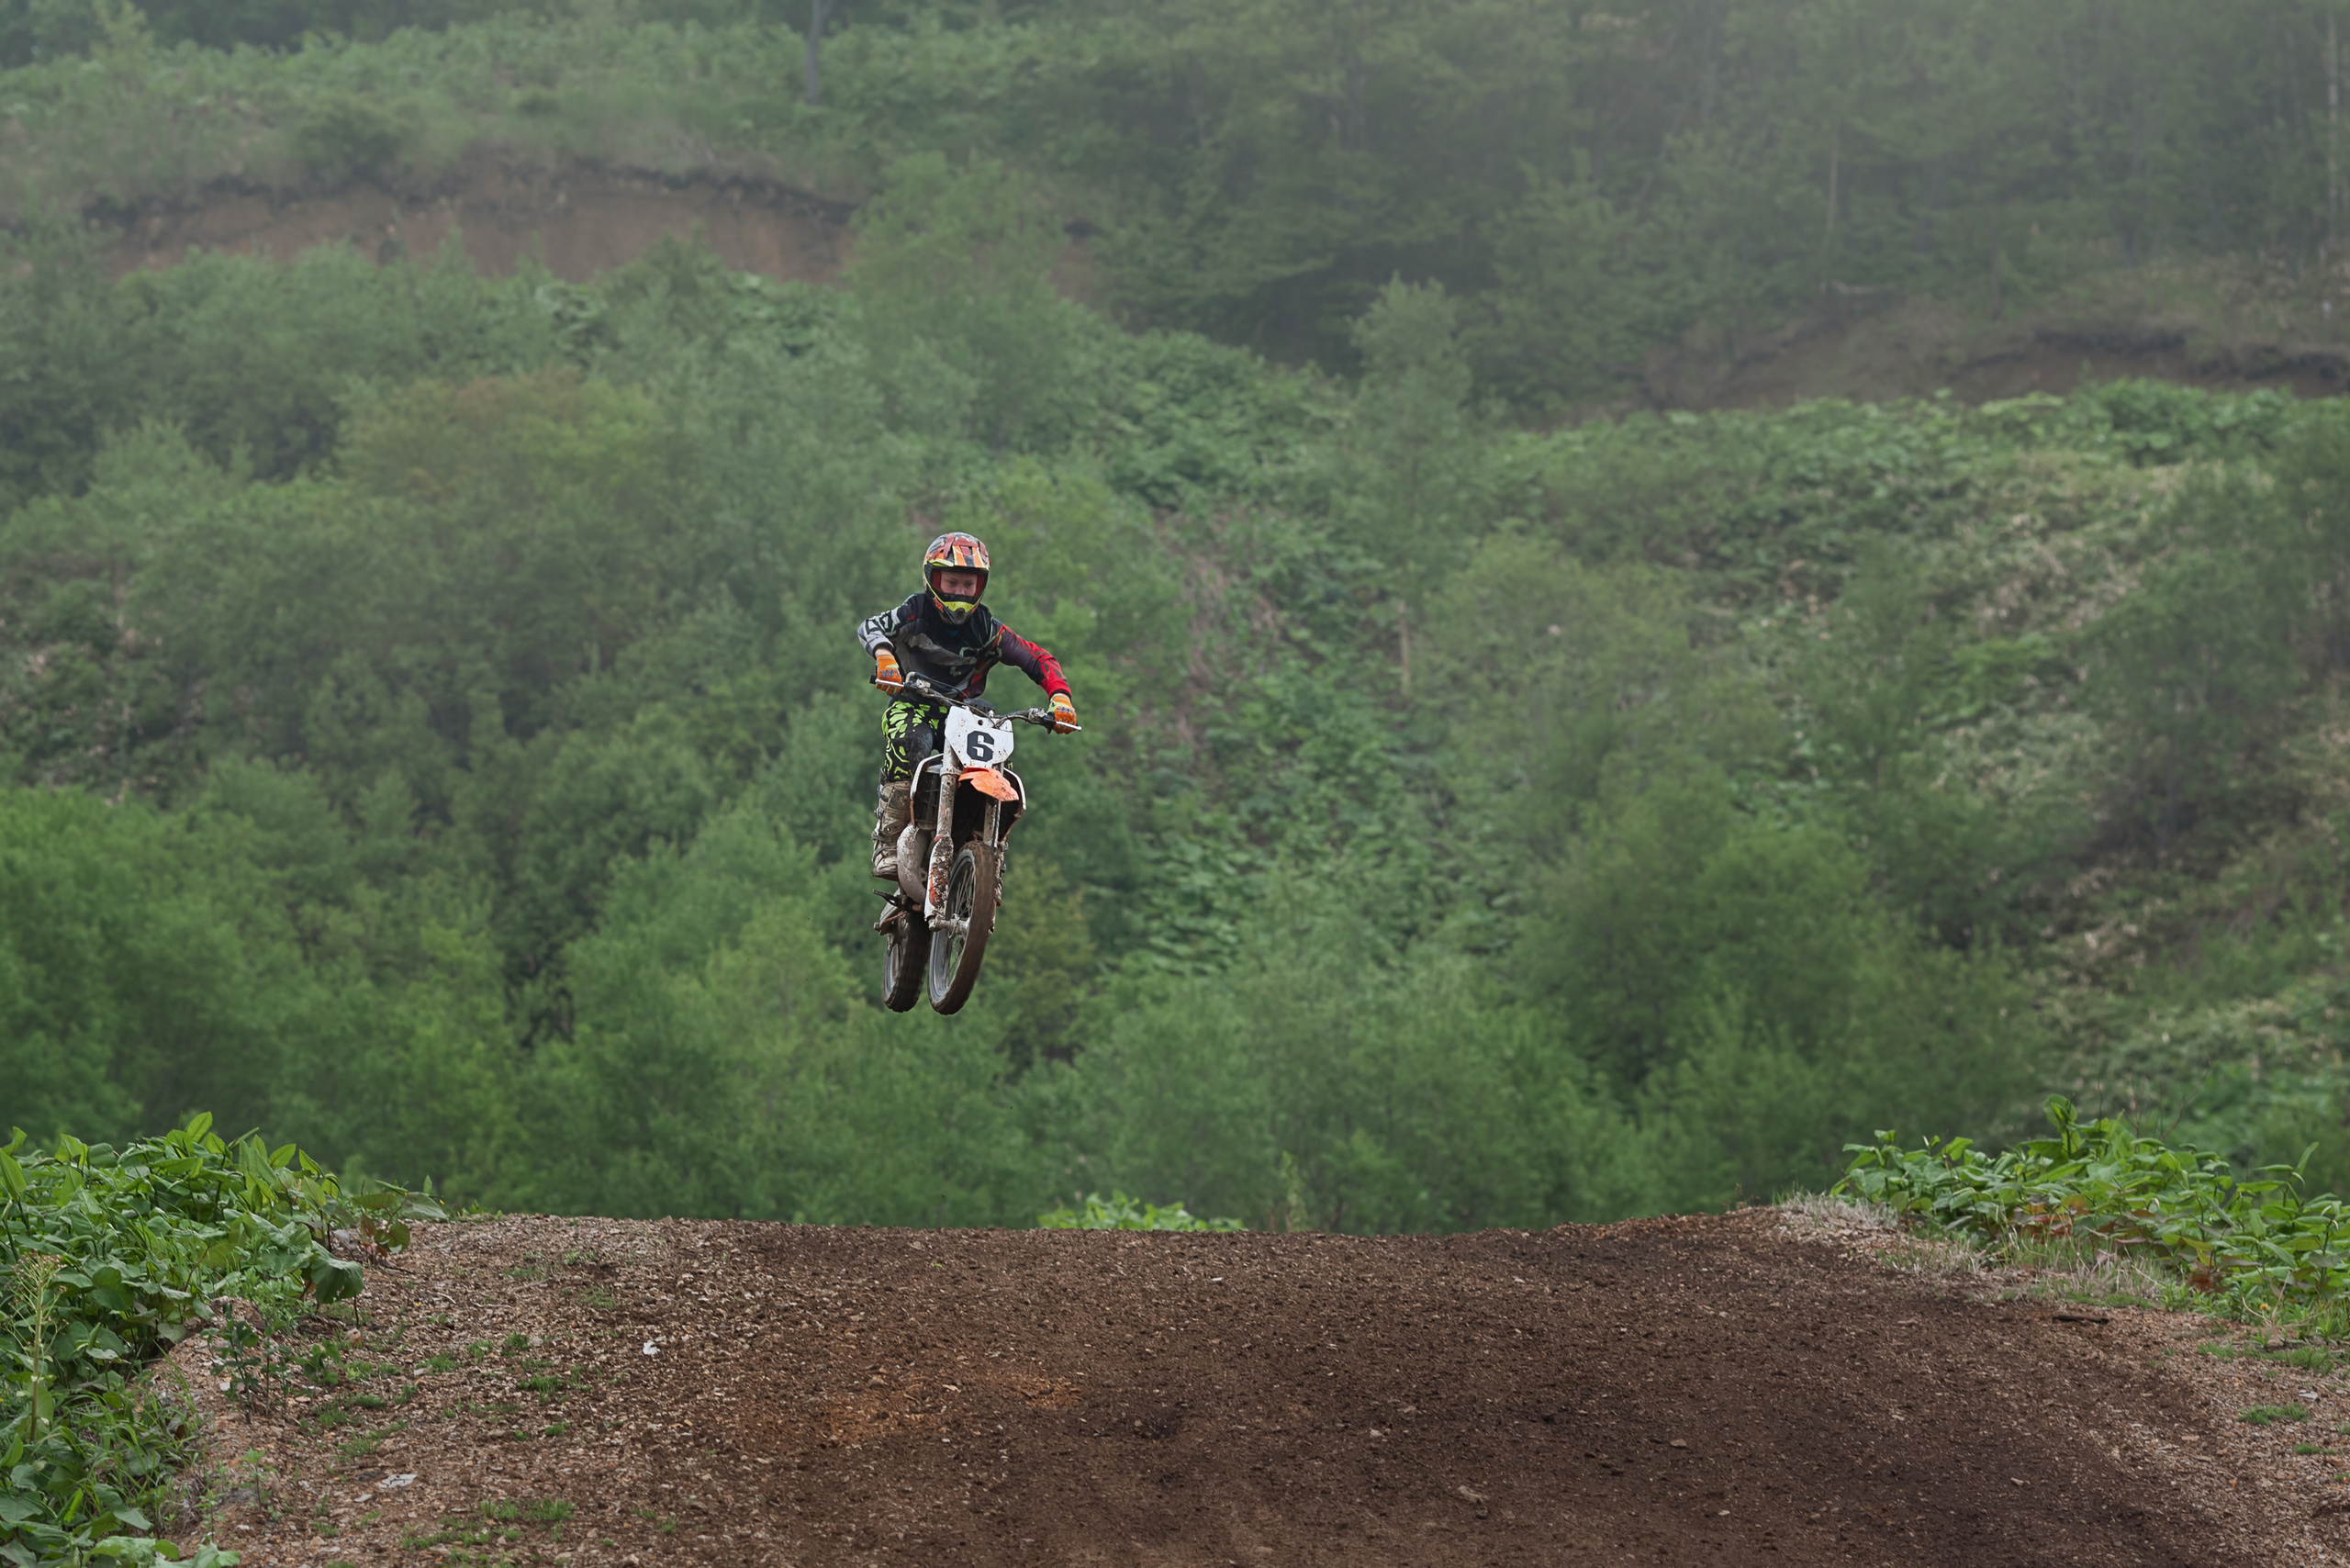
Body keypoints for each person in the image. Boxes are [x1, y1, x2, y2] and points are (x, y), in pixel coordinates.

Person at [856, 532, 1079, 880]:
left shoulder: (986, 630)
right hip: (914, 703)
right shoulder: (915, 612)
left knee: (996, 751)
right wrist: (885, 658)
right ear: (933, 579)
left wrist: (1060, 697)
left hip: (963, 713)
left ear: (981, 587)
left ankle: (990, 852)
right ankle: (887, 841)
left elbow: (1036, 657)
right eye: (952, 581)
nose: (960, 592)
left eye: (968, 584)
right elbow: (871, 626)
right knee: (908, 743)